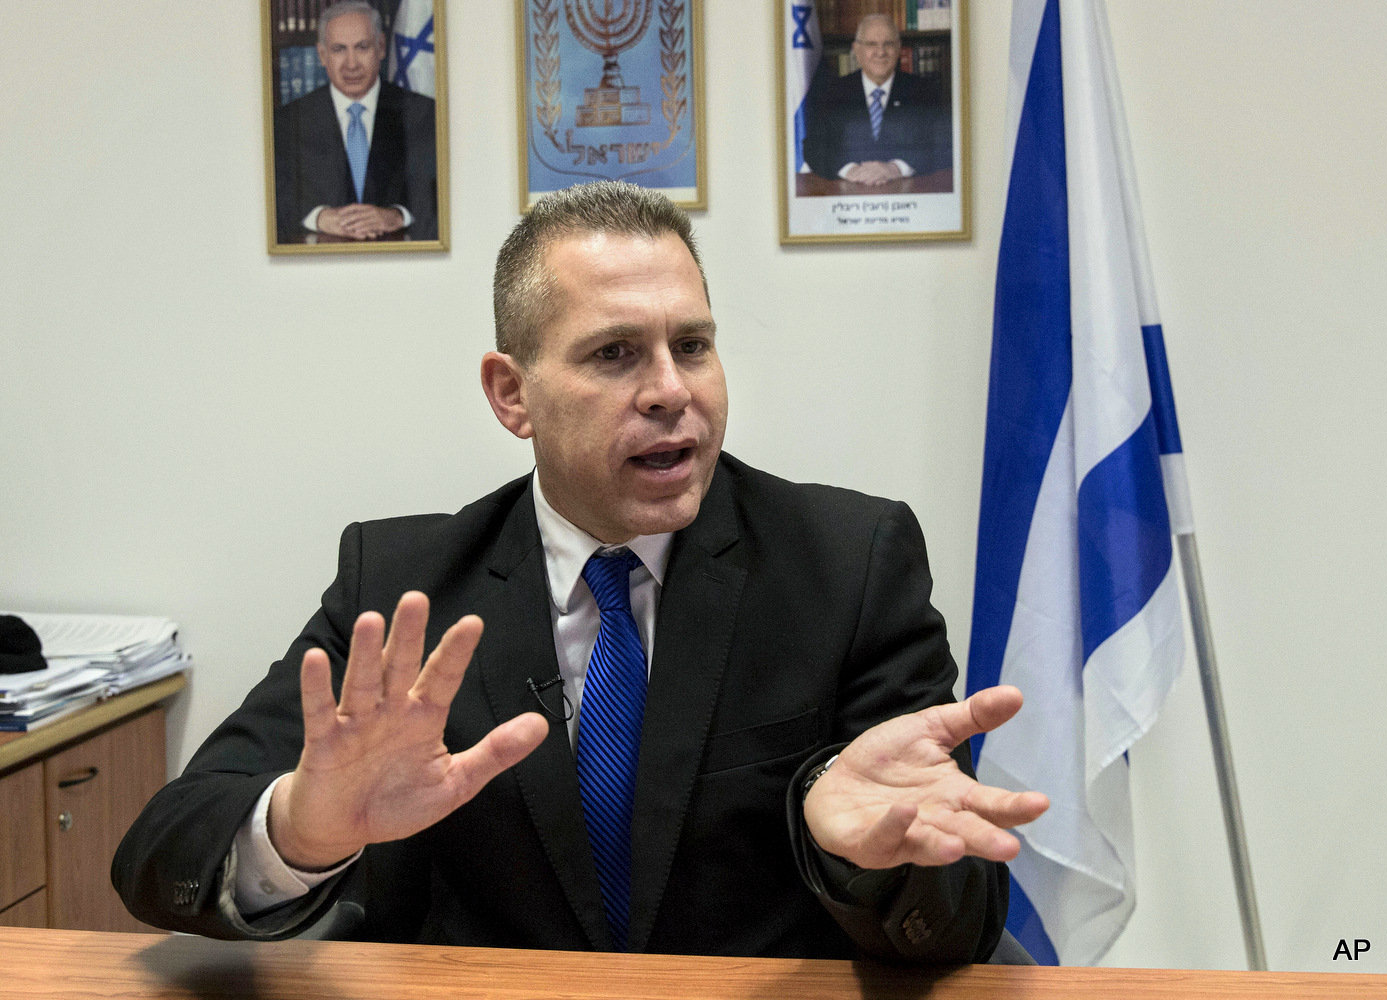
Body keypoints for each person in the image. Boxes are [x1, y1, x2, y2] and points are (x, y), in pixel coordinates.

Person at [112, 181, 1048, 963]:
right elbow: (163, 848)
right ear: (511, 393)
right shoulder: (403, 588)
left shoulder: (848, 563)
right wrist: (303, 834)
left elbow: (963, 921)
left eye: (692, 345)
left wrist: (865, 861)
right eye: (614, 354)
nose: (671, 391)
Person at [272, 1, 437, 242]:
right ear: (322, 55)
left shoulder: (422, 114)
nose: (351, 64)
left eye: (362, 47)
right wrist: (318, 218)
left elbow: (442, 202)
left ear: (381, 47)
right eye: (339, 49)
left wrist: (399, 216)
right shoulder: (288, 122)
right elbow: (274, 205)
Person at [803, 14, 952, 185]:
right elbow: (813, 148)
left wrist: (896, 168)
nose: (880, 52)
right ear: (857, 50)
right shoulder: (832, 92)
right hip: (847, 195)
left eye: (888, 44)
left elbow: (942, 147)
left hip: (908, 195)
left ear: (898, 49)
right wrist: (850, 170)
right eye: (871, 44)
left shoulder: (925, 91)